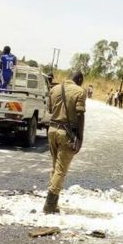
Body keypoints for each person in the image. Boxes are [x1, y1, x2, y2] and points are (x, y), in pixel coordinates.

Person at [43, 70, 86, 214]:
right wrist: (80, 138)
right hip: (66, 134)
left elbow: (50, 110)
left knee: (55, 167)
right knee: (61, 170)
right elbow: (80, 116)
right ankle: (49, 205)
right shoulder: (80, 91)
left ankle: (53, 204)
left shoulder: (54, 89)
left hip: (52, 130)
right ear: (79, 80)